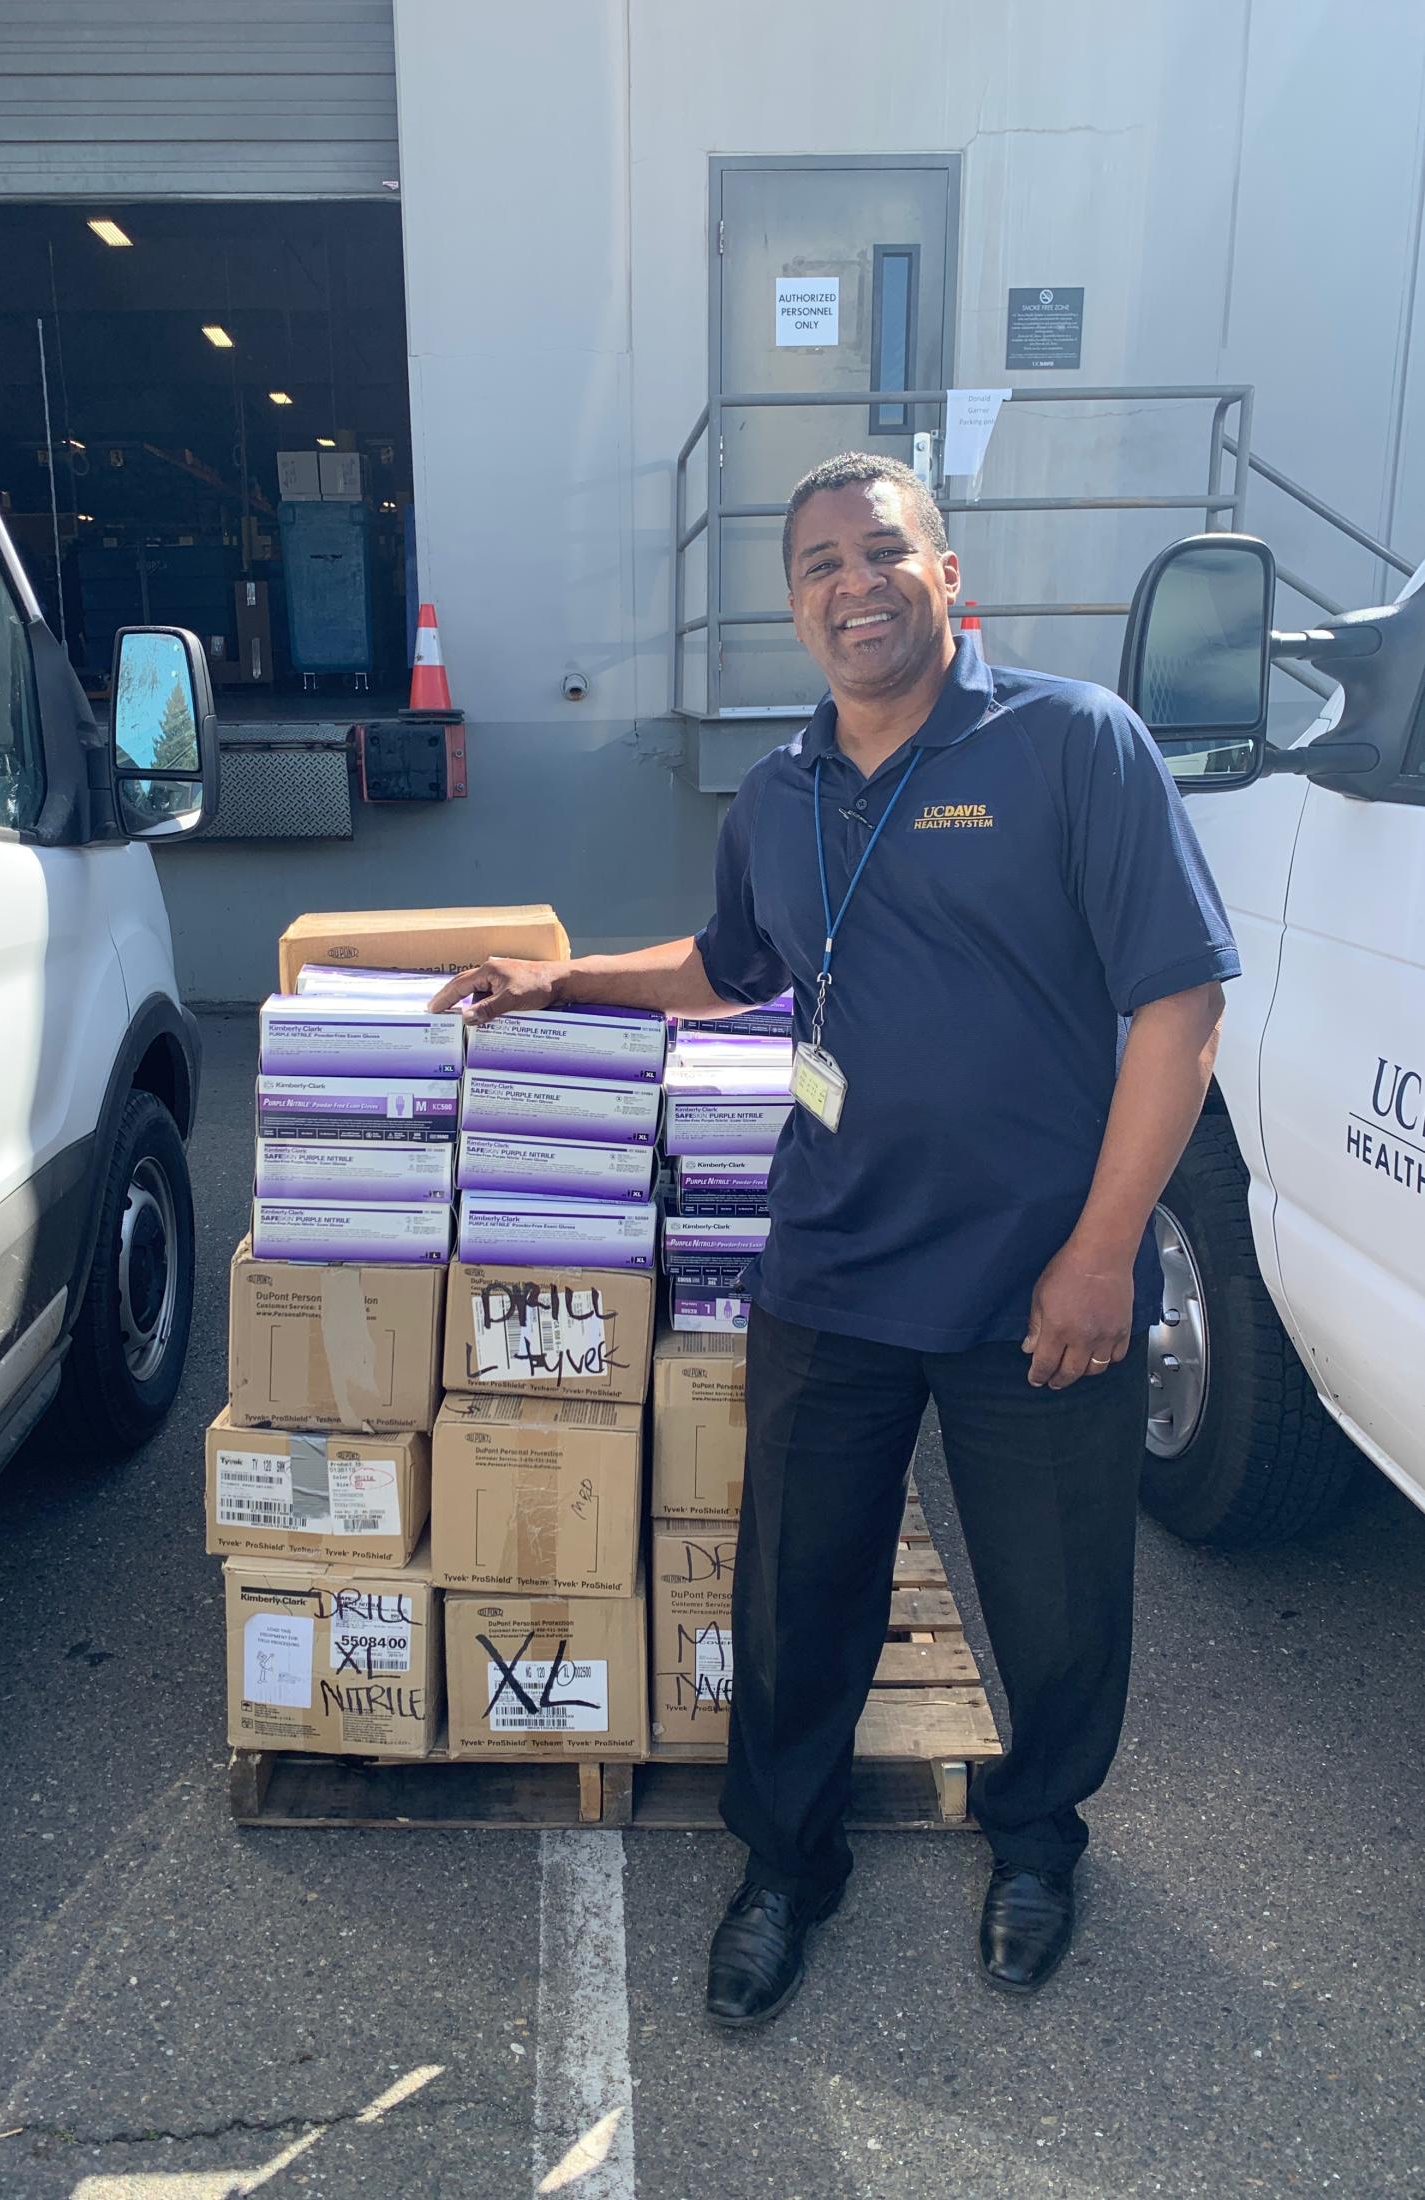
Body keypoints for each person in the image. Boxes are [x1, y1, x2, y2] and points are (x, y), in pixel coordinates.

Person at [431, 452, 1238, 2023]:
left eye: (882, 554)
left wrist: (1099, 1251)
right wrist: (562, 979)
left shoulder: (1071, 744)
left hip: (1035, 1278)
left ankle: (1033, 1840)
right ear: (790, 602)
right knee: (796, 1589)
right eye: (817, 564)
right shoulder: (780, 790)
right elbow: (731, 965)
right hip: (835, 1266)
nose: (851, 584)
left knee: (1055, 1592)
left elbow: (1178, 1004)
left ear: (946, 578)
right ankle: (786, 1863)